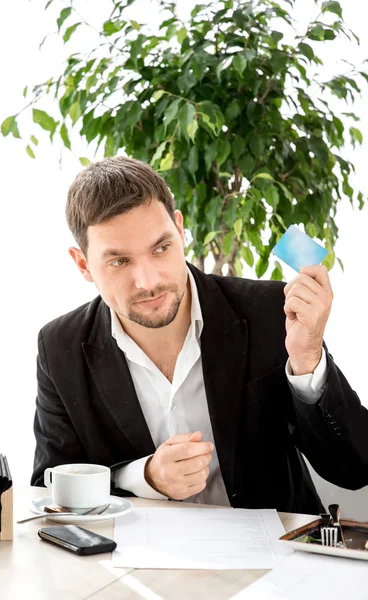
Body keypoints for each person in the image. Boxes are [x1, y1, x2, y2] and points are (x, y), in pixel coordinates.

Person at [31, 156, 368, 513]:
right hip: (139, 562)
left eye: (161, 248)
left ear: (179, 230)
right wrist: (143, 476)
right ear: (83, 264)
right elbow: (49, 486)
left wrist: (307, 360)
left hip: (278, 560)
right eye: (119, 261)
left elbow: (354, 469)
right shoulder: (59, 347)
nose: (149, 281)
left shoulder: (270, 312)